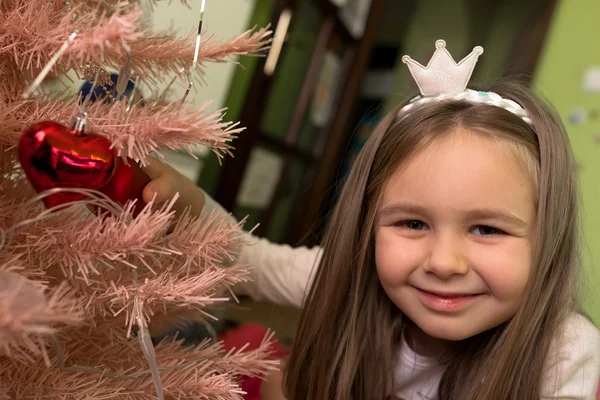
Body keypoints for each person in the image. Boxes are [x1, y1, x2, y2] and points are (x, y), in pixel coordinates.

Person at [141, 40, 600, 399]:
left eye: (487, 229)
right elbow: (252, 261)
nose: (444, 262)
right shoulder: (351, 277)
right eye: (413, 224)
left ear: (547, 238)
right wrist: (192, 205)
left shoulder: (565, 351)